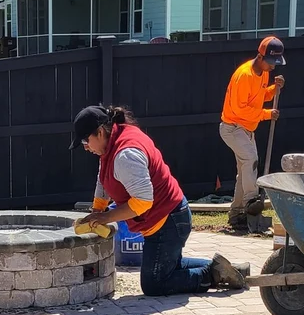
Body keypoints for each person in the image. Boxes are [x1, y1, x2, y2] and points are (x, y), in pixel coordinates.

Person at [72, 105, 250, 297]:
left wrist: (106, 217)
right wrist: (98, 210)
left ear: (100, 132)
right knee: (167, 267)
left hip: (168, 221)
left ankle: (213, 275)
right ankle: (232, 269)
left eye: (85, 140)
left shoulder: (125, 155)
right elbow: (103, 178)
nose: (85, 147)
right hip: (169, 215)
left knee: (154, 283)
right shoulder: (112, 142)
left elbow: (143, 202)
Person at [219, 36, 286, 230]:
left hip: (247, 129)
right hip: (233, 127)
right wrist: (266, 114)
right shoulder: (244, 75)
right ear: (260, 56)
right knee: (251, 159)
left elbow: (259, 97)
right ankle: (251, 202)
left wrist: (274, 89)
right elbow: (239, 109)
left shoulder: (262, 73)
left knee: (244, 171)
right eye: (271, 62)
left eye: (276, 62)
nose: (273, 66)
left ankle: (237, 213)